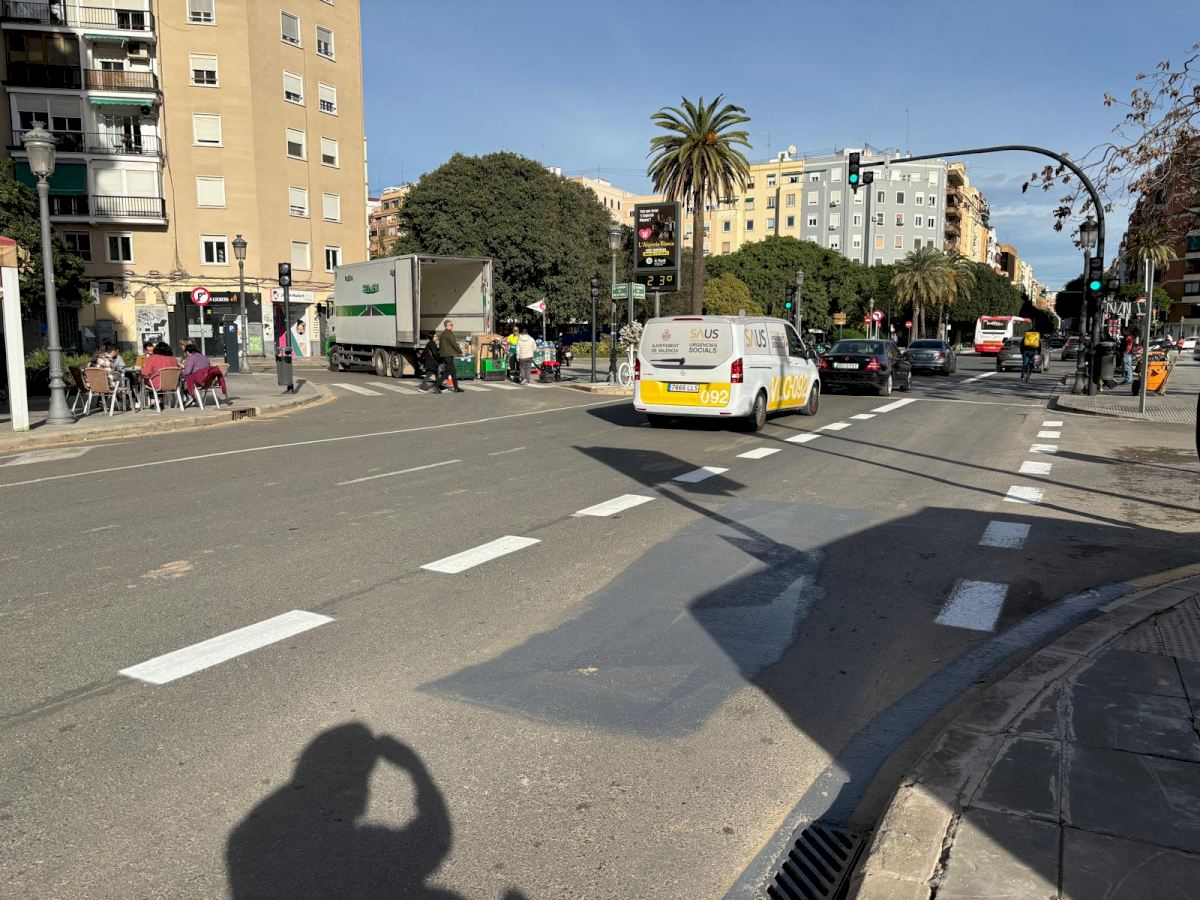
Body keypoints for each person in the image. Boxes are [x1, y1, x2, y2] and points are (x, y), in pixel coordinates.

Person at [436, 319, 464, 393]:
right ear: (448, 325)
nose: (452, 326)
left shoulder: (443, 333)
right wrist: (460, 350)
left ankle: (456, 387)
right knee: (448, 372)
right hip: (448, 354)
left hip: (445, 355)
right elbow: (453, 343)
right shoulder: (449, 333)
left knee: (453, 371)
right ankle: (437, 385)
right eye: (451, 325)